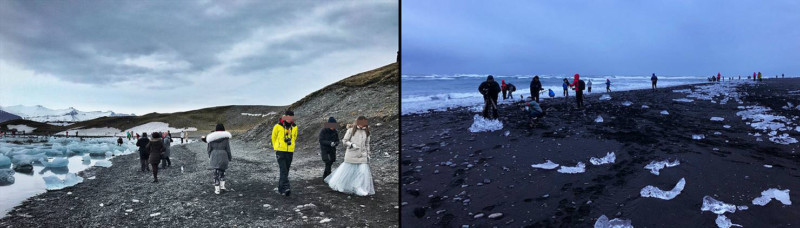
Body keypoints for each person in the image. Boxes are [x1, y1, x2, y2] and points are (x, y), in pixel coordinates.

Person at [325, 116, 375, 196]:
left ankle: (357, 187)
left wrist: (368, 154)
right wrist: (352, 145)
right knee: (347, 172)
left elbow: (367, 144)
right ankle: (339, 184)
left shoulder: (367, 132)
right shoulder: (351, 130)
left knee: (362, 172)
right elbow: (344, 141)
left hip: (362, 155)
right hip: (351, 155)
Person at [271, 111, 298, 196]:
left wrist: (292, 144)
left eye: (292, 117)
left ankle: (280, 188)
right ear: (285, 117)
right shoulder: (278, 126)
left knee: (286, 170)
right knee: (283, 170)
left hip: (290, 151)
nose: (290, 119)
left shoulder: (294, 127)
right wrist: (276, 148)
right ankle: (286, 188)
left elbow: (294, 137)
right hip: (280, 151)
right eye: (289, 117)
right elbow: (273, 137)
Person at [207, 124, 232, 194]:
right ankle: (222, 187)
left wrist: (210, 156)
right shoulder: (226, 139)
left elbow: (209, 149)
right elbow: (228, 149)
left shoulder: (211, 139)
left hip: (214, 155)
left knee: (215, 173)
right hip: (223, 155)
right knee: (222, 171)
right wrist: (229, 157)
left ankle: (217, 189)